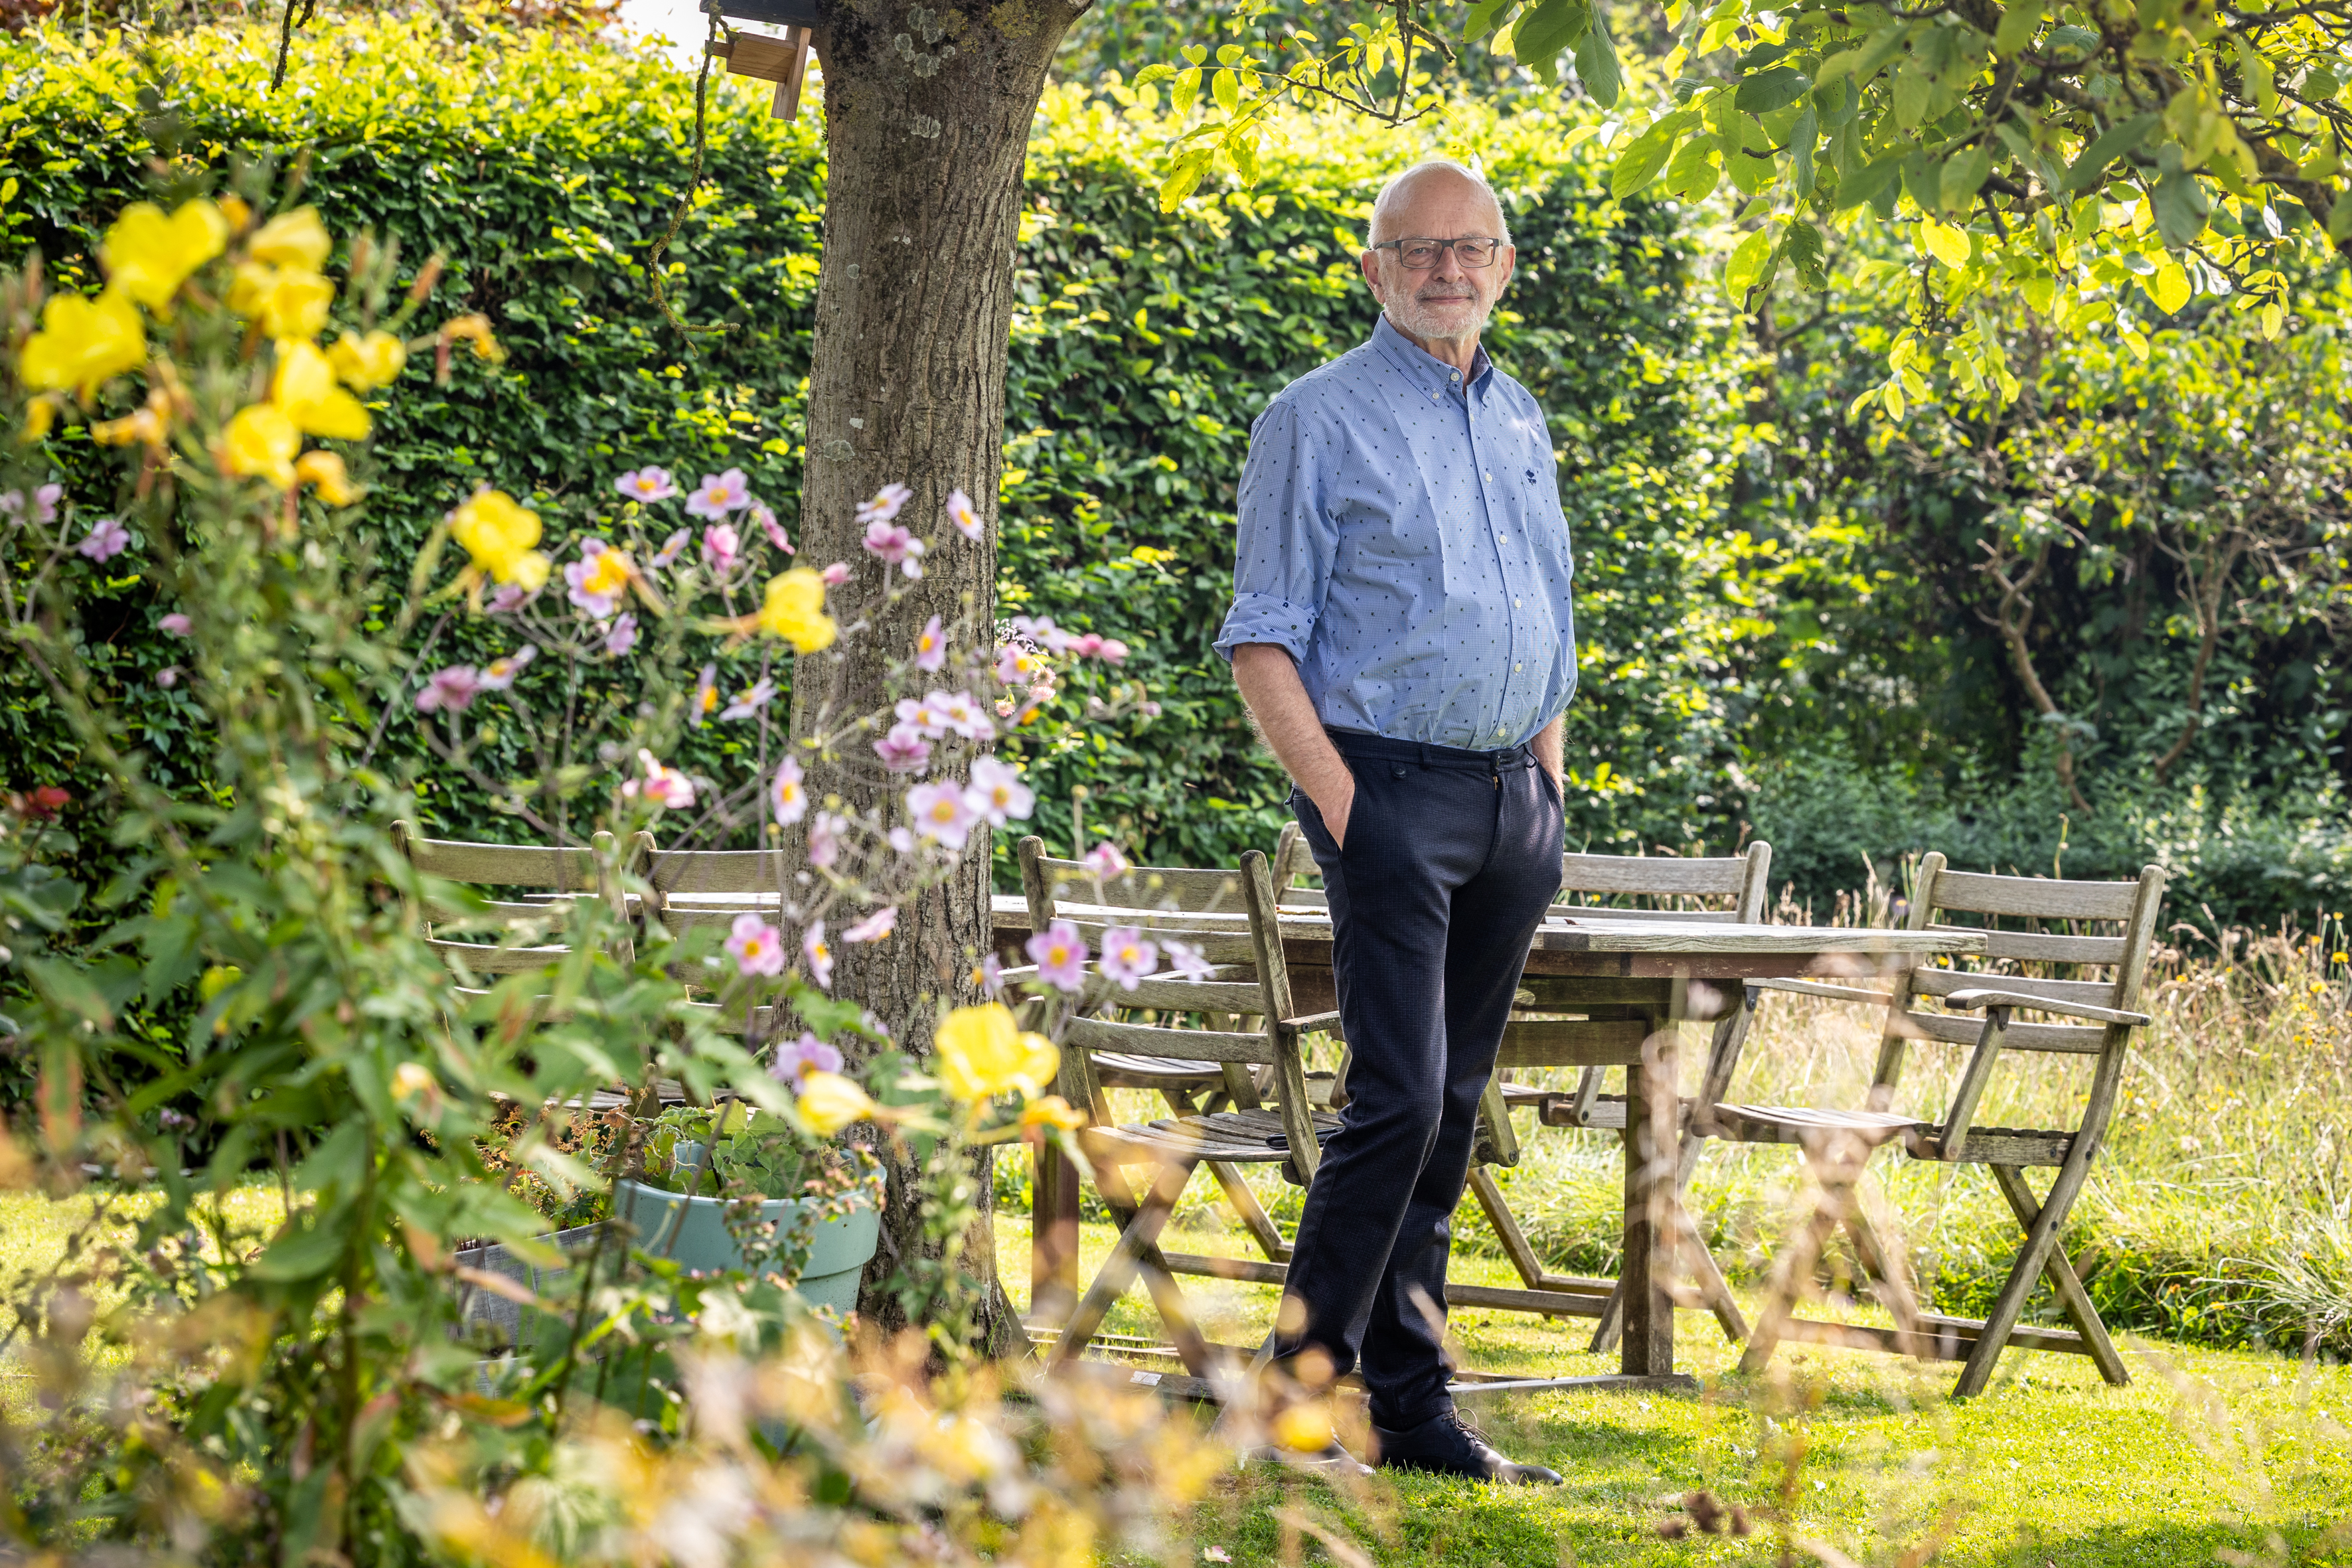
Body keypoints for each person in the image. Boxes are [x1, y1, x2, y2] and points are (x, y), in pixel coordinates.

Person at [1214, 157, 1575, 1485]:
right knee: (1397, 1096)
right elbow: (1261, 637)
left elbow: (1547, 612)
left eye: (1469, 248)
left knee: (1453, 1103)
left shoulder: (1521, 417)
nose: (1445, 270)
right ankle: (1293, 1396)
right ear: (1373, 269)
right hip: (1389, 793)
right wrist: (1347, 806)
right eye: (1416, 251)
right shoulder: (1311, 419)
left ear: (1502, 265)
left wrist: (1546, 778)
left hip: (1507, 801)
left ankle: (1412, 1410)